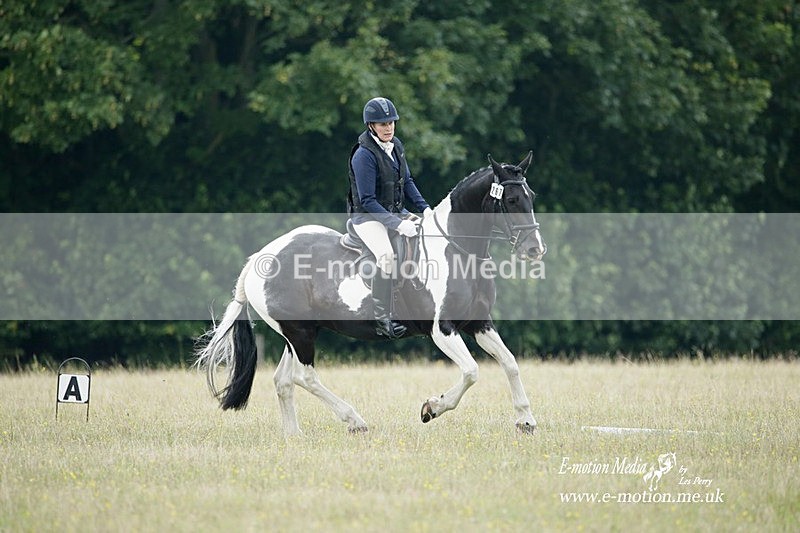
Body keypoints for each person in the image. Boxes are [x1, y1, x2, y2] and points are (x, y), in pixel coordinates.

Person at [347, 97, 433, 339]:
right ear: (371, 126)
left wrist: (425, 209)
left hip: (395, 212)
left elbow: (408, 182)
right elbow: (367, 200)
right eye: (382, 124)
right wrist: (398, 224)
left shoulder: (396, 146)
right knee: (386, 256)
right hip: (367, 218)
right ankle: (382, 318)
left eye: (391, 123)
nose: (389, 128)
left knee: (430, 234)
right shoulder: (363, 156)